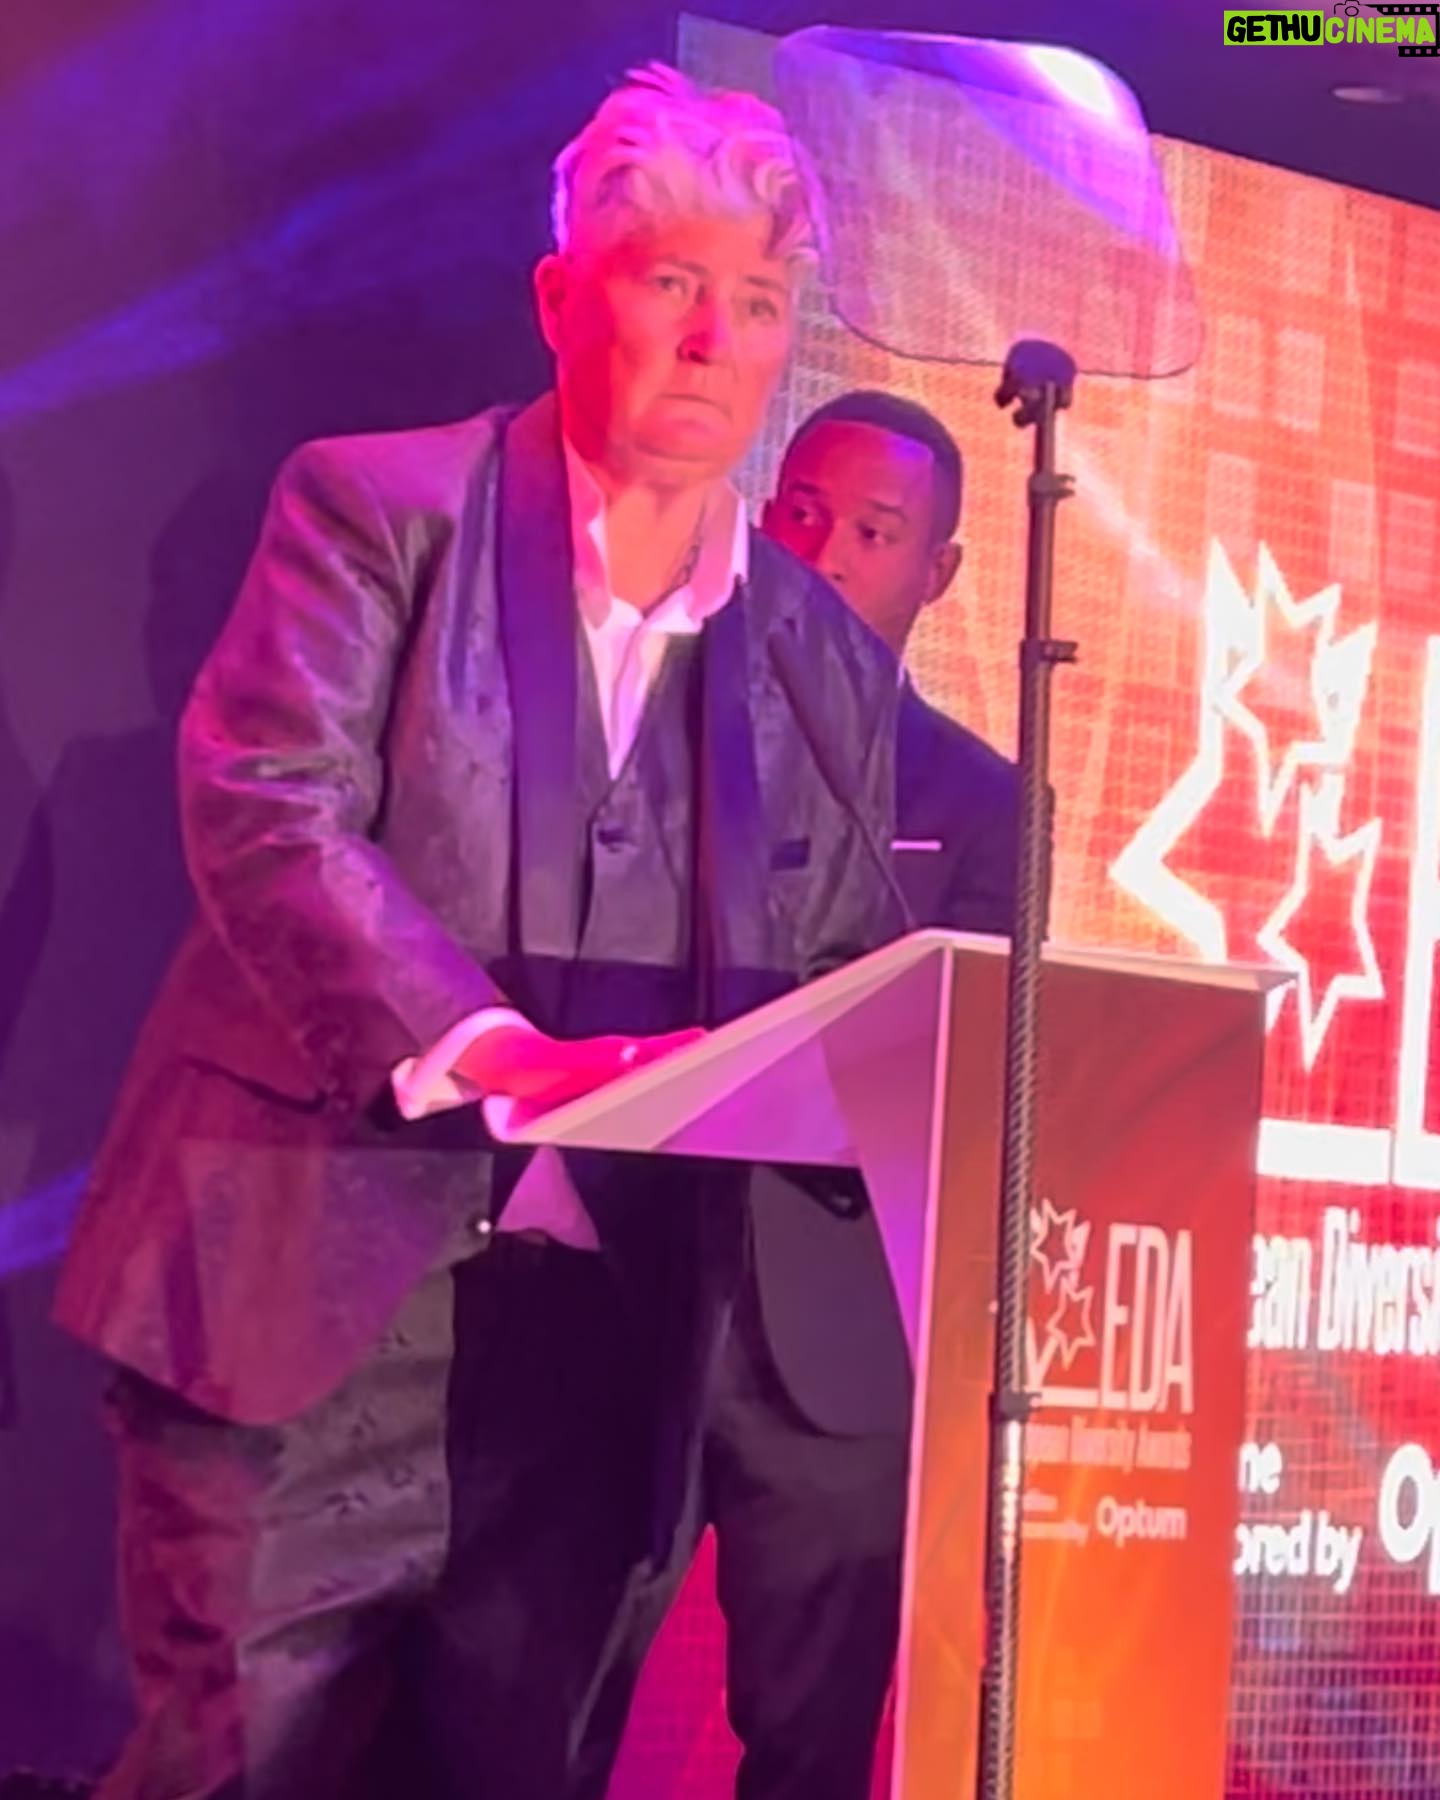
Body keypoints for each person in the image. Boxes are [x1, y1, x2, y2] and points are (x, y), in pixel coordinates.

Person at [53, 68, 901, 1800]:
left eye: (757, 301)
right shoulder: (379, 508)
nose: (715, 340)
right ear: (561, 296)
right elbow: (271, 805)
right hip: (305, 1313)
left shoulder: (820, 655)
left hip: (595, 1367)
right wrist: (491, 1050)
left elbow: (833, 978)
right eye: (671, 281)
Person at [579, 390, 1018, 1800]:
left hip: (835, 1342)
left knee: (810, 1754)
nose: (825, 554)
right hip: (618, 1302)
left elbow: (973, 1074)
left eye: (874, 532)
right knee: (532, 1717)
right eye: (804, 514)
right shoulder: (646, 725)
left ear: (939, 571)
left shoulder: (987, 802)